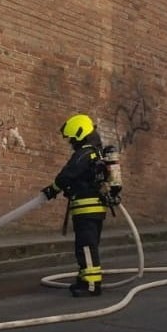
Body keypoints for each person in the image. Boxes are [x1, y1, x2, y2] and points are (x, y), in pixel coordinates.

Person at [41, 113, 109, 297]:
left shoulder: (84, 153)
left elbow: (66, 175)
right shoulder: (96, 153)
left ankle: (92, 285)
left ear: (80, 133)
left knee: (86, 246)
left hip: (87, 209)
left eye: (72, 138)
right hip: (94, 209)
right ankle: (84, 278)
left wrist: (52, 189)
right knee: (87, 245)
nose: (71, 142)